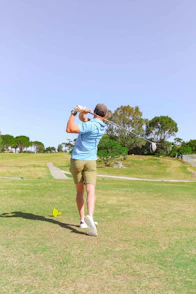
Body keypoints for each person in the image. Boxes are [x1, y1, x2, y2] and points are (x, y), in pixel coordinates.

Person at [66, 103, 108, 236]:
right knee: (91, 191)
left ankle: (82, 220)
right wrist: (83, 113)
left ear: (95, 112)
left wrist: (73, 112)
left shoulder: (90, 125)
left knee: (80, 192)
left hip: (78, 160)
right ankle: (90, 216)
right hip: (91, 162)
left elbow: (70, 129)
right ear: (105, 115)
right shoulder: (102, 126)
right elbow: (84, 120)